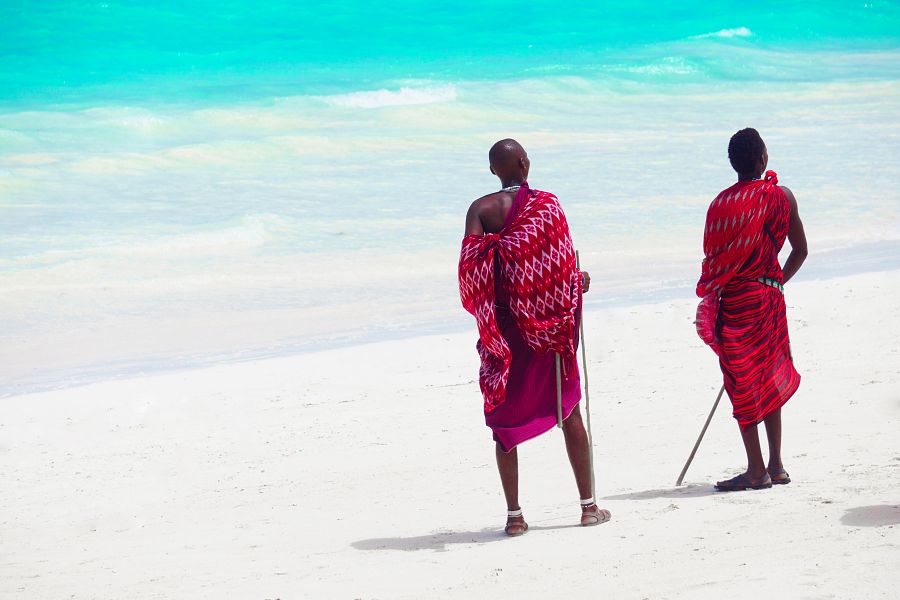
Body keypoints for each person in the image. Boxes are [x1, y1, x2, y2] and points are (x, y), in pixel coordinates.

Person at [458, 138, 611, 535]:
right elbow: (558, 269)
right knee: (569, 410)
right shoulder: (548, 206)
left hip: (506, 333)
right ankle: (589, 508)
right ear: (525, 164)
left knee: (503, 423)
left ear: (493, 171)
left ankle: (514, 518)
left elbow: (470, 275)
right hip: (548, 330)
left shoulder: (480, 210)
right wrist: (576, 283)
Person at [695, 128, 808, 491]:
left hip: (737, 303)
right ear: (763, 159)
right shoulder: (781, 197)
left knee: (740, 381)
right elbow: (801, 251)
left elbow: (713, 265)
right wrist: (774, 282)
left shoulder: (719, 206)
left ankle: (756, 470)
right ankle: (776, 465)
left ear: (733, 164)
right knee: (771, 372)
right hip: (771, 299)